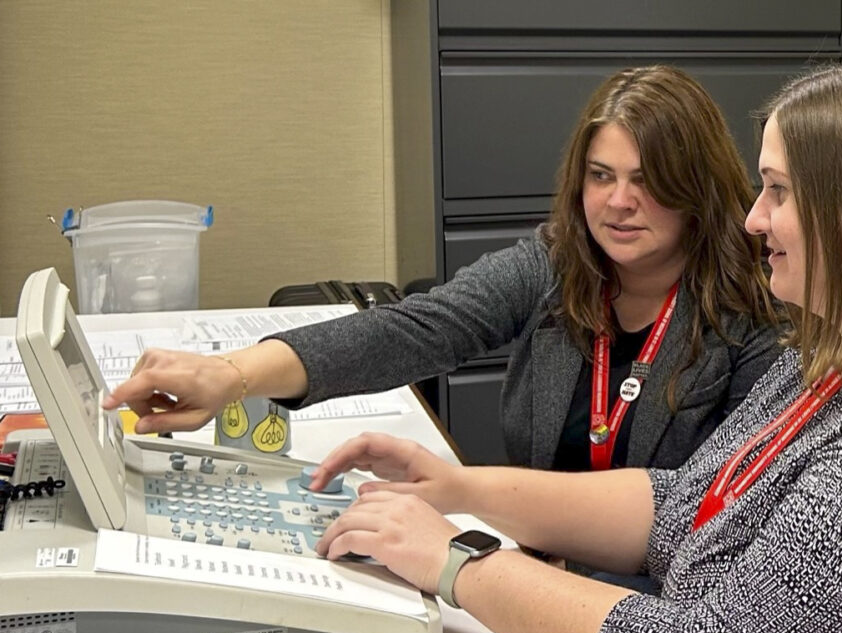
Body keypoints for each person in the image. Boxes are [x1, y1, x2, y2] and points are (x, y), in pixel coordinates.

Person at [296, 63, 842, 633]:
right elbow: (687, 504)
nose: (752, 220)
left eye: (777, 191)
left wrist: (456, 561)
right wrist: (457, 491)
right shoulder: (841, 350)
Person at [106, 65, 780, 476]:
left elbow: (710, 512)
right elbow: (411, 330)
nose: (619, 202)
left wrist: (472, 497)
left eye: (647, 179)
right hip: (535, 559)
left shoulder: (753, 316)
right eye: (601, 176)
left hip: (660, 599)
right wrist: (229, 376)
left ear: (696, 187)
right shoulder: (557, 264)